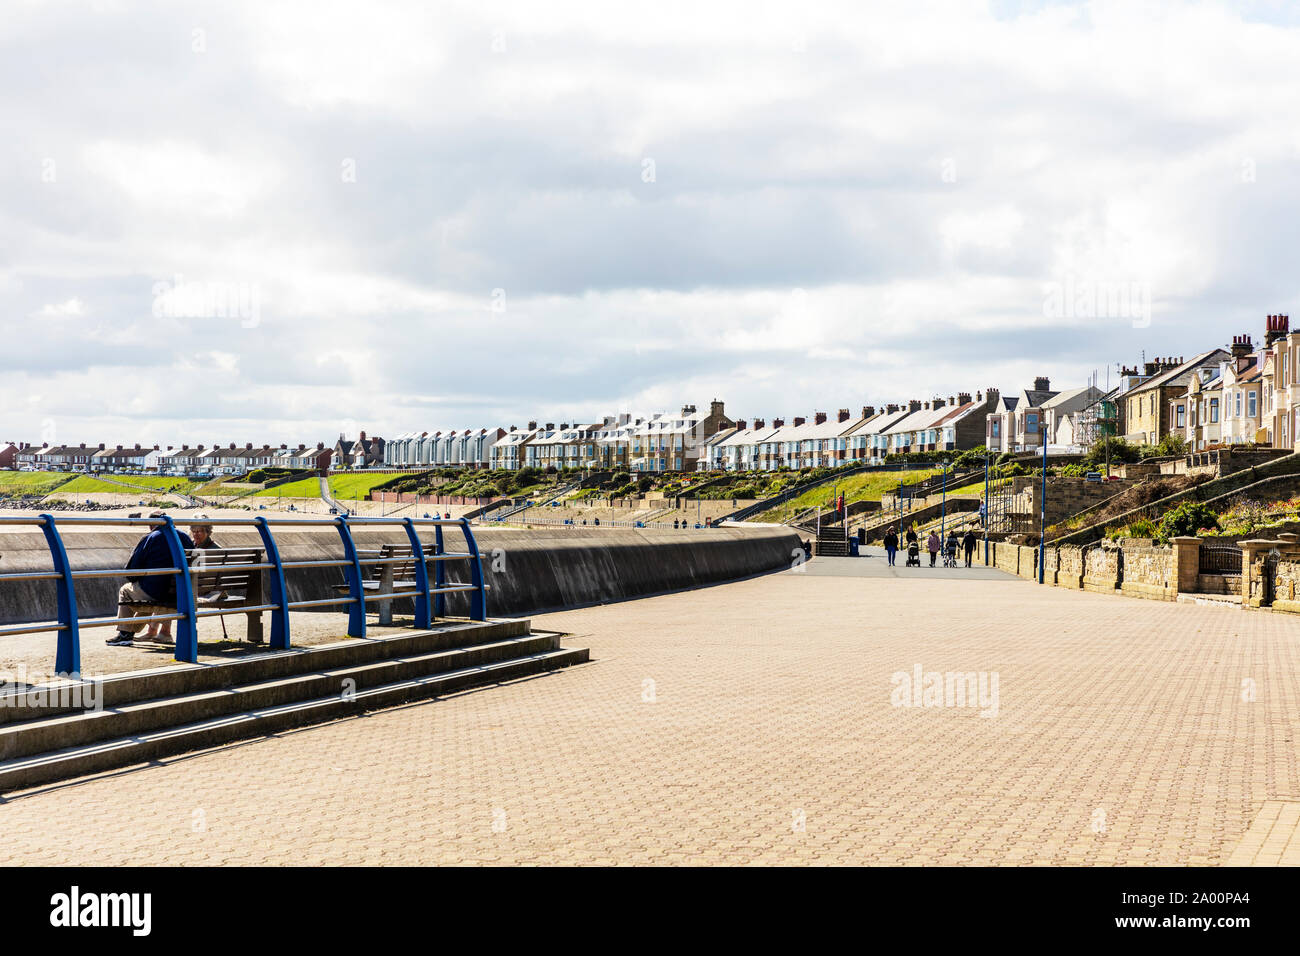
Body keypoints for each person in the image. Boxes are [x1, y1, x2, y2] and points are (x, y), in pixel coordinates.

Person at [107, 512, 194, 647]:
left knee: (126, 591)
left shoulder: (151, 537)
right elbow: (196, 565)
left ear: (151, 525)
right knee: (146, 594)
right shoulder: (184, 537)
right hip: (181, 593)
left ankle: (125, 634)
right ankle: (130, 632)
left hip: (157, 591)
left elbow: (132, 569)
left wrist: (136, 579)